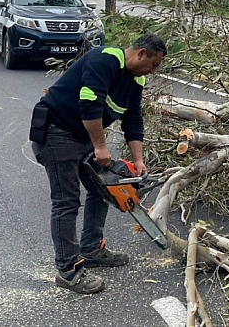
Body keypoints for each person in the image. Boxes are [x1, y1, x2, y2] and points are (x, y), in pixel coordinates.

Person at [30, 33, 167, 294]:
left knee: (101, 190)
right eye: (154, 64)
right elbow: (89, 103)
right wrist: (100, 146)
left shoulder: (135, 80)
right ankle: (68, 271)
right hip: (56, 132)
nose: (153, 71)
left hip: (83, 135)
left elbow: (133, 119)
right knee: (67, 201)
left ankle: (92, 249)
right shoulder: (105, 59)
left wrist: (138, 160)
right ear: (141, 54)